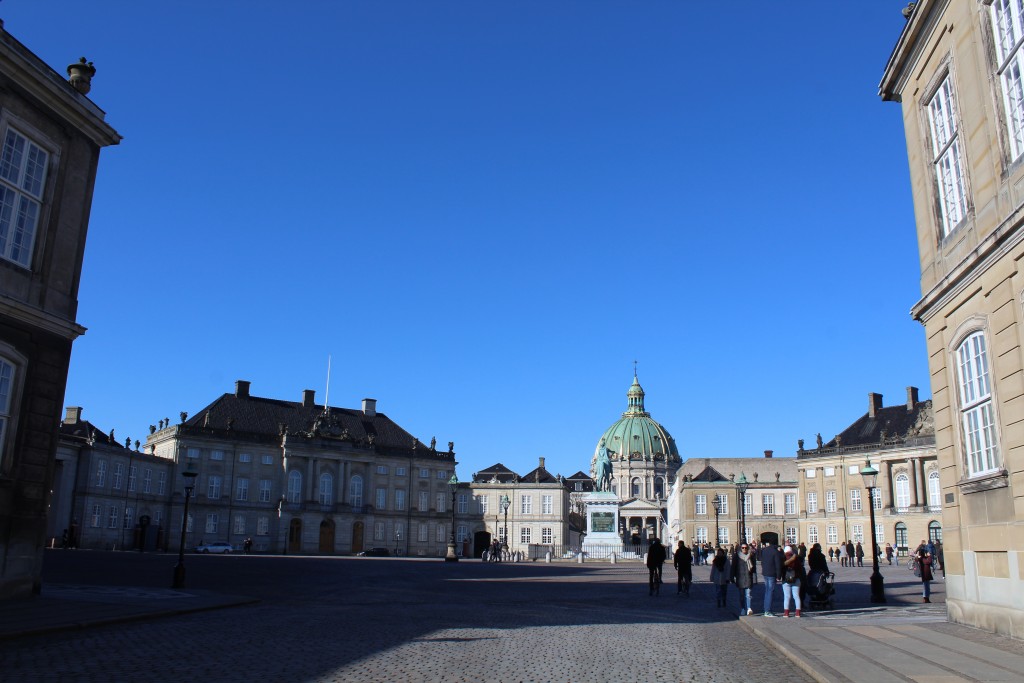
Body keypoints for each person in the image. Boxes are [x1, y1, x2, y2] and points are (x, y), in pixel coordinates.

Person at [760, 538, 783, 616]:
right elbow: (778, 565)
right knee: (770, 592)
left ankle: (766, 609)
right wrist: (779, 576)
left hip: (765, 573)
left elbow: (762, 562)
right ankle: (768, 610)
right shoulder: (775, 552)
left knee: (767, 591)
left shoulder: (764, 550)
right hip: (772, 574)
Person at [732, 542, 755, 616]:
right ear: (740, 548)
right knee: (742, 596)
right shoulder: (737, 556)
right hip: (740, 578)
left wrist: (755, 578)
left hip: (748, 578)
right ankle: (742, 608)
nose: (744, 549)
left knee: (748, 595)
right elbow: (733, 567)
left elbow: (754, 568)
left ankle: (749, 608)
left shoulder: (751, 556)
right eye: (743, 548)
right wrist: (732, 577)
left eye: (746, 548)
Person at [782, 544, 804, 617]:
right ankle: (797, 613)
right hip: (796, 579)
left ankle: (786, 613)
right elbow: (801, 569)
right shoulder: (796, 559)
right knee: (796, 596)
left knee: (787, 596)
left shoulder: (783, 558)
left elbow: (781, 568)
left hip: (786, 580)